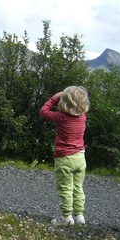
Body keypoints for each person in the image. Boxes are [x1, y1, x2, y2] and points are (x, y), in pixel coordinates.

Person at [40, 86, 90, 226]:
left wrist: (55, 98)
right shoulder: (82, 117)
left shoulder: (61, 117)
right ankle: (79, 215)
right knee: (77, 187)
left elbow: (43, 111)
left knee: (65, 188)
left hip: (65, 159)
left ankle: (66, 217)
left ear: (64, 102)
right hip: (80, 157)